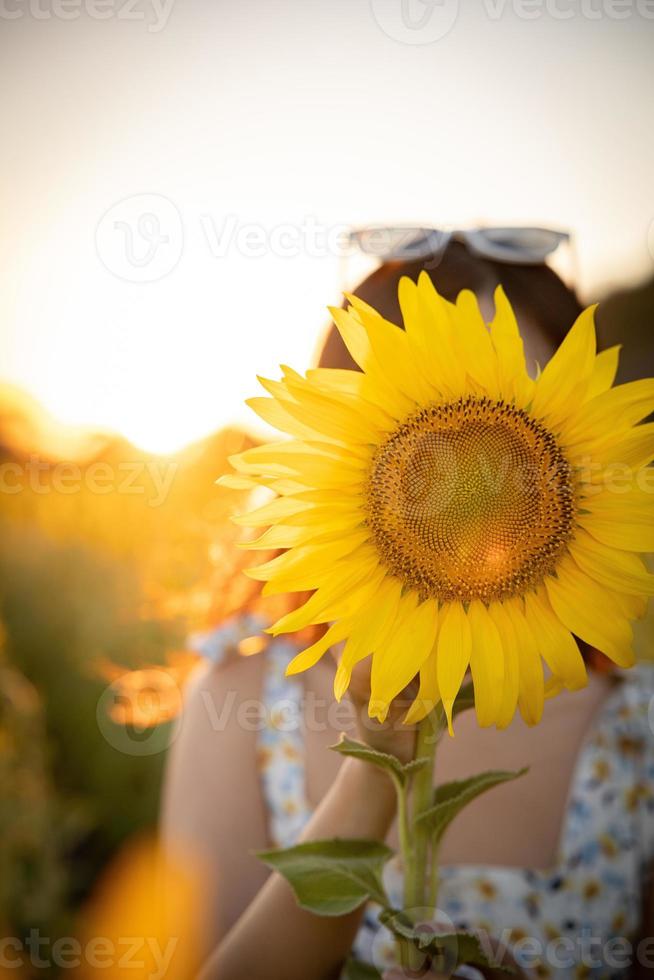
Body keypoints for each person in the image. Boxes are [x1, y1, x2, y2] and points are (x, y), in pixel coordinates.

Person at [161, 238, 654, 980]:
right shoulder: (240, 699)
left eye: (521, 398)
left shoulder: (636, 731)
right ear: (345, 437)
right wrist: (375, 766)